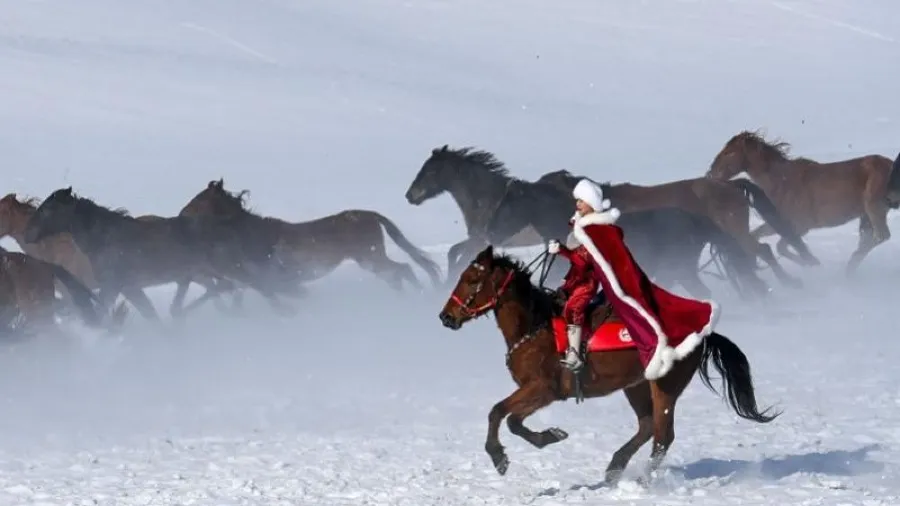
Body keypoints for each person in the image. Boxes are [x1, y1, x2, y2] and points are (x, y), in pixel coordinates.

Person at [549, 178, 721, 380]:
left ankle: (575, 354)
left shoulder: (595, 230)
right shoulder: (587, 226)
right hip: (593, 278)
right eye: (577, 200)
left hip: (600, 282)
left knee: (574, 308)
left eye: (581, 200)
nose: (577, 204)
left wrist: (561, 251)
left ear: (591, 204)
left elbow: (584, 259)